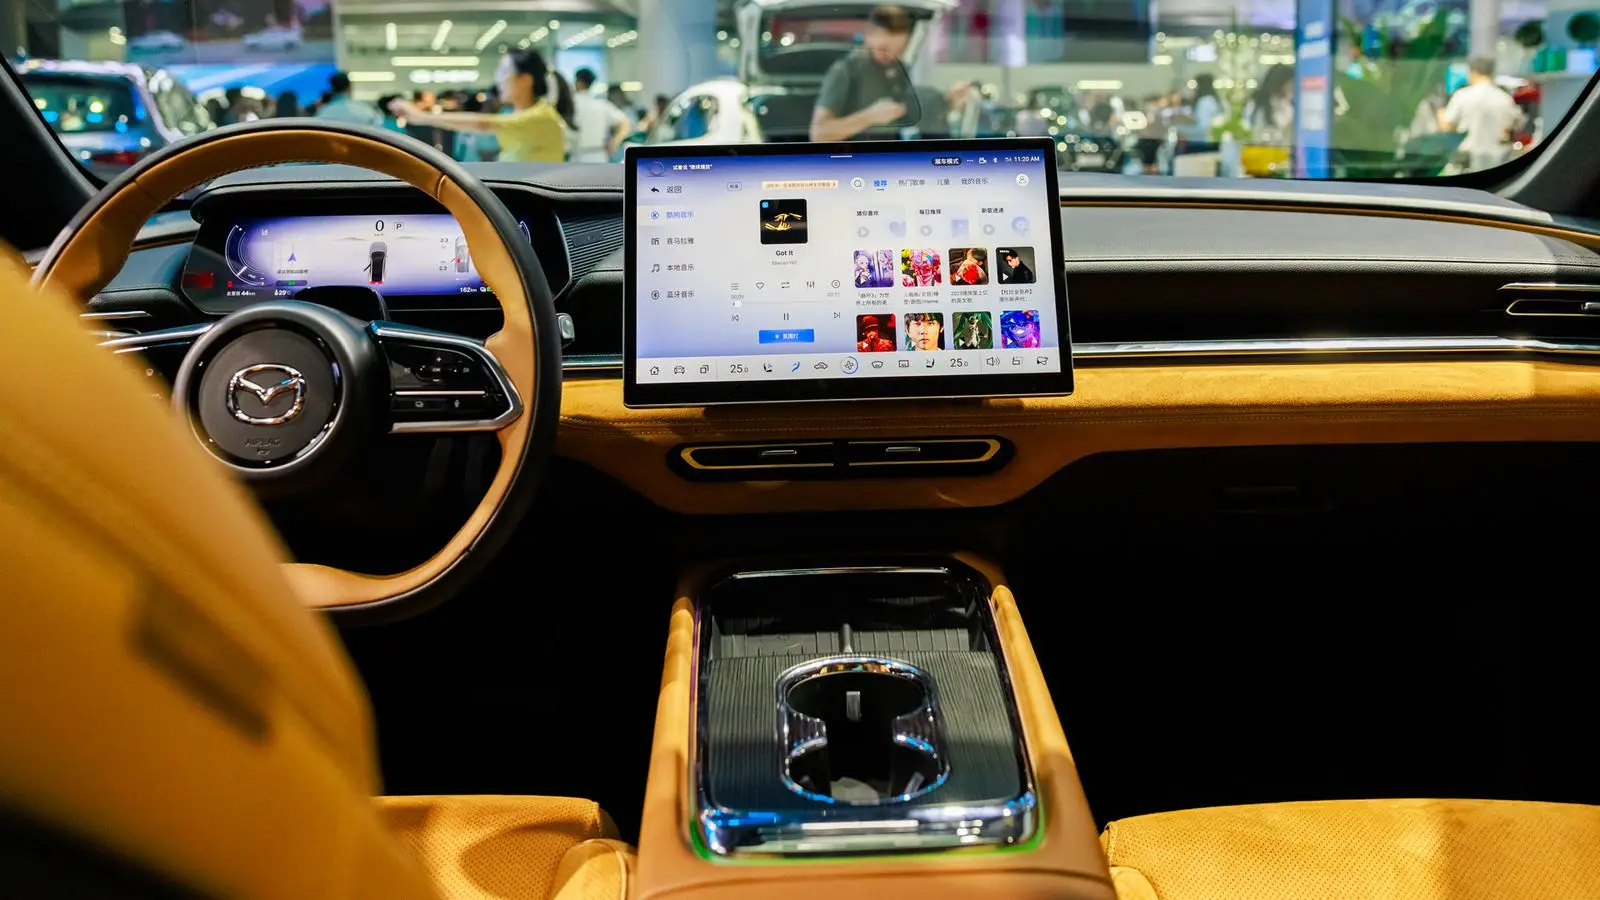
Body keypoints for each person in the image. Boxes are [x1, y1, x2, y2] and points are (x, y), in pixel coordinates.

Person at [812, 5, 966, 141]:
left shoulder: (898, 68)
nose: (891, 56)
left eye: (898, 50)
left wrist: (947, 103)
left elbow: (908, 114)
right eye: (884, 48)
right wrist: (869, 117)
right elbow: (819, 134)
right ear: (869, 36)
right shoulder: (845, 71)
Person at [389, 50, 567, 163]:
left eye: (504, 71)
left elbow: (483, 123)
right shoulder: (519, 112)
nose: (498, 78)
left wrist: (421, 116)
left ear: (526, 79)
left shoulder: (541, 116)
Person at [1438, 57, 1522, 172]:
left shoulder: (1463, 95)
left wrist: (1439, 110)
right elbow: (1516, 125)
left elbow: (1448, 126)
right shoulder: (1505, 99)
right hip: (1500, 160)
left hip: (1470, 161)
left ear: (1473, 72)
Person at [570, 67, 629, 163]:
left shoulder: (570, 103)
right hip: (599, 156)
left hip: (577, 156)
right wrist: (615, 142)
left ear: (578, 82)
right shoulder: (602, 105)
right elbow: (624, 121)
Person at [314, 73, 384, 127]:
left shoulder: (322, 113)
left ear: (332, 88)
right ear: (349, 88)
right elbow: (379, 129)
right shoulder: (364, 110)